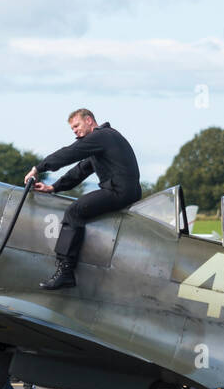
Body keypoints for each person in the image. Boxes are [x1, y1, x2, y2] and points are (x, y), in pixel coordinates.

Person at [26, 109, 141, 290]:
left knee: (74, 212)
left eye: (76, 126)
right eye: (72, 129)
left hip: (119, 192)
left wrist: (38, 168)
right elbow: (80, 170)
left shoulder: (101, 136)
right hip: (127, 192)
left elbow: (70, 153)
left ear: (89, 120)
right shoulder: (103, 142)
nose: (75, 131)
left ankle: (65, 272)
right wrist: (54, 187)